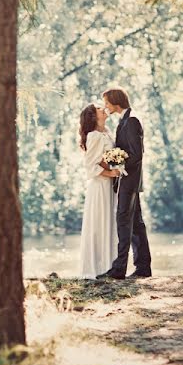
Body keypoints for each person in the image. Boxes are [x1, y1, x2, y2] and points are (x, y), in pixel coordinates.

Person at [98, 88, 152, 279]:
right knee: (136, 223)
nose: (105, 107)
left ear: (115, 102)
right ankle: (143, 267)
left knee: (123, 220)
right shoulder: (126, 119)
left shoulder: (132, 120)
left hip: (129, 179)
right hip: (130, 178)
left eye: (106, 103)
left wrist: (118, 164)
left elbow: (137, 154)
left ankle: (119, 269)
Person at [78, 103, 120, 279]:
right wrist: (110, 172)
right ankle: (96, 267)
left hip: (109, 185)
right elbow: (90, 166)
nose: (104, 110)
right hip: (99, 186)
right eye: (100, 110)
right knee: (99, 223)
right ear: (94, 117)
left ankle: (110, 264)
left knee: (110, 222)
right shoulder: (94, 136)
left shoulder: (107, 132)